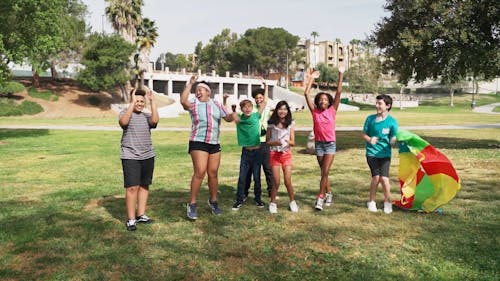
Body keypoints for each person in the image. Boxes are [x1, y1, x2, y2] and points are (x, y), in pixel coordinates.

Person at [181, 75, 235, 220]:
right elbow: (183, 101)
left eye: (201, 90)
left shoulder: (217, 104)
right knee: (200, 171)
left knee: (213, 173)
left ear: (208, 92)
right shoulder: (193, 104)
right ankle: (192, 204)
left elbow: (228, 117)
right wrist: (190, 84)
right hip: (198, 141)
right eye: (196, 90)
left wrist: (233, 114)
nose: (198, 92)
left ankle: (213, 201)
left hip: (214, 143)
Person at [303, 66, 344, 211]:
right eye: (321, 99)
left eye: (326, 99)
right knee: (323, 172)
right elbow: (306, 93)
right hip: (319, 144)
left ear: (329, 102)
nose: (323, 101)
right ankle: (329, 193)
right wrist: (312, 79)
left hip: (330, 145)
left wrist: (340, 74)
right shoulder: (314, 111)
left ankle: (320, 197)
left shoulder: (333, 110)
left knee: (325, 171)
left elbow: (339, 91)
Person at [119, 88, 159, 231]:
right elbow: (124, 122)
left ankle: (141, 214)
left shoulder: (146, 116)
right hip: (130, 156)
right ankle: (131, 219)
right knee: (132, 187)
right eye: (137, 101)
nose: (139, 103)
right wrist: (131, 103)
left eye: (142, 101)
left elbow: (155, 121)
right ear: (131, 101)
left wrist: (152, 101)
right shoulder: (125, 113)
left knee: (144, 185)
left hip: (147, 155)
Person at [362, 94, 398, 214]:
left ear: (388, 106)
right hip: (372, 153)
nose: (377, 105)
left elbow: (393, 136)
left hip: (385, 154)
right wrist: (369, 139)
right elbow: (364, 134)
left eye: (380, 103)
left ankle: (388, 203)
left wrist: (393, 140)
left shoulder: (392, 122)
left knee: (385, 179)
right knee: (376, 177)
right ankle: (371, 202)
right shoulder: (370, 119)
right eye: (376, 103)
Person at [231, 98, 267, 210]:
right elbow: (231, 113)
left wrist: (265, 86)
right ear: (241, 109)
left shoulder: (256, 116)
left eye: (249, 106)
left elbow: (264, 103)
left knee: (257, 177)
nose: (247, 109)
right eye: (244, 107)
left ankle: (258, 199)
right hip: (246, 152)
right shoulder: (239, 119)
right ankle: (239, 200)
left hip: (257, 152)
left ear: (252, 107)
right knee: (242, 177)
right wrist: (226, 99)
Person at [266, 101, 298, 214]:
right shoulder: (271, 123)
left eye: (285, 109)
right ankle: (273, 203)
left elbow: (293, 142)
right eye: (280, 109)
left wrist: (286, 141)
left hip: (286, 154)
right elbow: (267, 141)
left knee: (287, 181)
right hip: (274, 154)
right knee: (276, 181)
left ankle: (292, 202)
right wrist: (275, 142)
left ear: (287, 111)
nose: (282, 111)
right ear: (276, 110)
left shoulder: (290, 123)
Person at [244, 80, 273, 199]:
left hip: (264, 142)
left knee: (267, 168)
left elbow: (265, 100)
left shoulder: (265, 107)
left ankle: (272, 191)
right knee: (249, 169)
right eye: (256, 98)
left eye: (260, 97)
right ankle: (245, 192)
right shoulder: (252, 109)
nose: (259, 99)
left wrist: (266, 87)